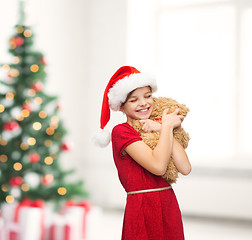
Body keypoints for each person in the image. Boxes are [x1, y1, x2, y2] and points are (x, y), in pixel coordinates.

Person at [95, 66, 191, 240]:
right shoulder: (121, 132)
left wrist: (161, 127)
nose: (144, 103)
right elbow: (158, 167)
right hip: (142, 207)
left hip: (168, 203)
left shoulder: (156, 127)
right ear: (121, 107)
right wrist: (167, 126)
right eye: (134, 100)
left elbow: (185, 168)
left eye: (148, 96)